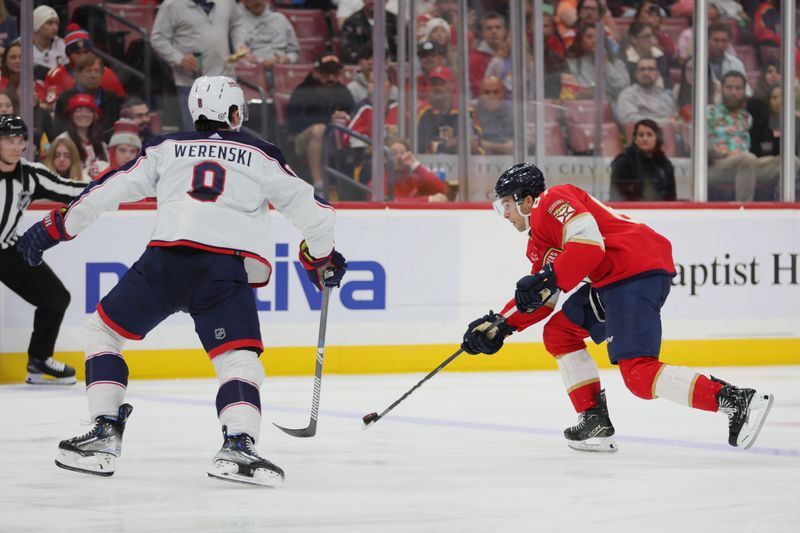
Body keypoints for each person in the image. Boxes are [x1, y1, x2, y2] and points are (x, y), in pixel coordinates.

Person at [17, 75, 347, 487]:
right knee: (237, 360)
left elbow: (109, 189)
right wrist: (319, 257)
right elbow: (319, 215)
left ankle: (104, 433)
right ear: (230, 113)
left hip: (165, 261)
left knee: (103, 332)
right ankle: (239, 445)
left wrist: (57, 226)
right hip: (224, 271)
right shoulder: (262, 153)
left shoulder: (165, 148)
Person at [460, 162, 773, 453]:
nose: (504, 214)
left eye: (506, 205)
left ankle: (736, 400)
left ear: (527, 200)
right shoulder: (539, 242)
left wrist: (548, 278)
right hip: (615, 279)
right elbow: (540, 297)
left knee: (639, 375)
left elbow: (588, 247)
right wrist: (501, 325)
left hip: (633, 271)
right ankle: (595, 421)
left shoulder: (553, 201)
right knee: (559, 333)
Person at [0, 116, 86, 385]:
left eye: (20, 141)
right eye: (9, 141)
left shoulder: (30, 174)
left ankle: (38, 360)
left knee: (56, 298)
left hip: (7, 251)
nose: (16, 147)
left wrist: (114, 189)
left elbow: (69, 189)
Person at [151, 0, 249, 131]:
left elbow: (237, 23)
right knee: (196, 134)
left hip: (225, 78)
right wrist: (179, 58)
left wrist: (239, 44)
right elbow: (158, 38)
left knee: (232, 133)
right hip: (192, 83)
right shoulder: (172, 5)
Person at [287, 51, 355, 192]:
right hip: (303, 140)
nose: (331, 77)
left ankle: (352, 187)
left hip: (336, 138)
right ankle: (319, 185)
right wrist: (328, 119)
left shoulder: (343, 92)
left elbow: (354, 116)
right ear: (315, 73)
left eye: (335, 73)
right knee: (319, 129)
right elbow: (294, 124)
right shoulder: (303, 91)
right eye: (326, 73)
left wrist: (345, 118)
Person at [707, 71, 777, 201]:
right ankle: (744, 211)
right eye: (729, 87)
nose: (733, 92)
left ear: (744, 91)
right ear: (721, 89)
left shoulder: (747, 117)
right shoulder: (709, 113)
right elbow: (701, 146)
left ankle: (785, 209)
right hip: (717, 166)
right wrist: (725, 153)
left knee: (790, 162)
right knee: (747, 159)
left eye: (738, 88)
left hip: (747, 165)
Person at [43, 25, 126, 110]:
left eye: (86, 52)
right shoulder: (55, 75)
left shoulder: (107, 74)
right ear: (68, 55)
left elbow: (121, 104)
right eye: (77, 53)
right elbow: (47, 106)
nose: (82, 56)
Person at [53, 51, 123, 134]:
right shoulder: (66, 98)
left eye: (97, 71)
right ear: (77, 74)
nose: (93, 75)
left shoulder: (111, 98)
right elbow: (59, 130)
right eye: (88, 71)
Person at [610, 119, 676, 201]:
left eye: (649, 135)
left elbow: (671, 197)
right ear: (635, 139)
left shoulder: (665, 164)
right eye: (641, 135)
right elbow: (618, 197)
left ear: (657, 138)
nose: (644, 139)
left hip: (661, 211)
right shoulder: (624, 162)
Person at [565, 24, 629, 101]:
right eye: (589, 37)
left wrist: (606, 63)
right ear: (580, 41)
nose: (594, 40)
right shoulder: (572, 63)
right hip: (583, 105)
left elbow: (624, 89)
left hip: (612, 106)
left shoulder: (616, 62)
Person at [238, 0, 299, 69]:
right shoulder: (238, 24)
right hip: (253, 69)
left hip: (283, 68)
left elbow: (294, 51)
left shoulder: (280, 19)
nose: (256, 1)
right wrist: (259, 60)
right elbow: (239, 53)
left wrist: (288, 59)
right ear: (243, 1)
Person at [616, 57, 678, 125]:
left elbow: (675, 117)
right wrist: (663, 122)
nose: (645, 73)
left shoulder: (665, 95)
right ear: (636, 74)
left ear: (658, 74)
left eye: (650, 69)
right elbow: (629, 120)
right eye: (642, 69)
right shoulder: (628, 95)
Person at [341, 0, 398, 64]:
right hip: (362, 68)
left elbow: (405, 51)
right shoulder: (351, 22)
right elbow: (348, 52)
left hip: (393, 67)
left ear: (386, 1)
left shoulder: (395, 21)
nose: (373, 1)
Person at [623, 21, 672, 90]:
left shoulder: (660, 56)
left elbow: (667, 83)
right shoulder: (625, 59)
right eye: (646, 37)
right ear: (633, 39)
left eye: (651, 36)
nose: (651, 40)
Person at [475, 76, 513, 155]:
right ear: (480, 94)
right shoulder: (471, 111)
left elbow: (527, 138)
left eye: (496, 92)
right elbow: (470, 141)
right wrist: (500, 147)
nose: (491, 96)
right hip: (481, 157)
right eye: (487, 92)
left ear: (503, 93)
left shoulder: (513, 111)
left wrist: (516, 144)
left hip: (510, 157)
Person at [32, 5, 66, 74]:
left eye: (56, 23)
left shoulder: (63, 45)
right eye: (50, 23)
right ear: (37, 25)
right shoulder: (21, 46)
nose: (55, 28)